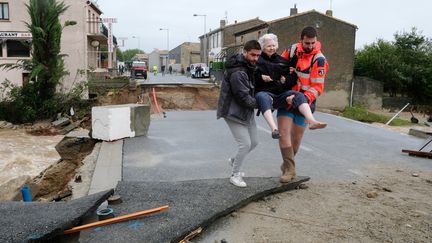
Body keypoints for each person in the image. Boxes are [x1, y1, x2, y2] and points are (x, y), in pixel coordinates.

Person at [277, 26, 329, 183]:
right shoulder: (291, 50)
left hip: (305, 102)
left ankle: (287, 164)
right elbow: (278, 67)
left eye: (313, 43)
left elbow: (317, 87)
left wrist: (301, 99)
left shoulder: (319, 60)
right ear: (301, 40)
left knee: (296, 139)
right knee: (283, 133)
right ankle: (290, 170)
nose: (310, 46)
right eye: (307, 43)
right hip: (286, 98)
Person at [255, 34, 327, 140]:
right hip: (265, 93)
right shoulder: (257, 60)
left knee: (298, 95)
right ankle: (274, 129)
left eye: (274, 45)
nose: (272, 48)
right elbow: (250, 75)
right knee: (262, 96)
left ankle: (312, 121)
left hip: (280, 94)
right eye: (268, 46)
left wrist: (286, 80)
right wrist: (260, 77)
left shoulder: (282, 61)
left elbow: (292, 77)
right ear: (262, 47)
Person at [216, 40, 262, 187]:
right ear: (245, 52)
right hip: (232, 111)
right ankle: (235, 175)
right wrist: (263, 104)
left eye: (257, 55)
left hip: (245, 111)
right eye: (252, 55)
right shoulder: (238, 72)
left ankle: (234, 161)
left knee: (254, 142)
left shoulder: (249, 67)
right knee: (245, 144)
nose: (255, 58)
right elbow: (243, 98)